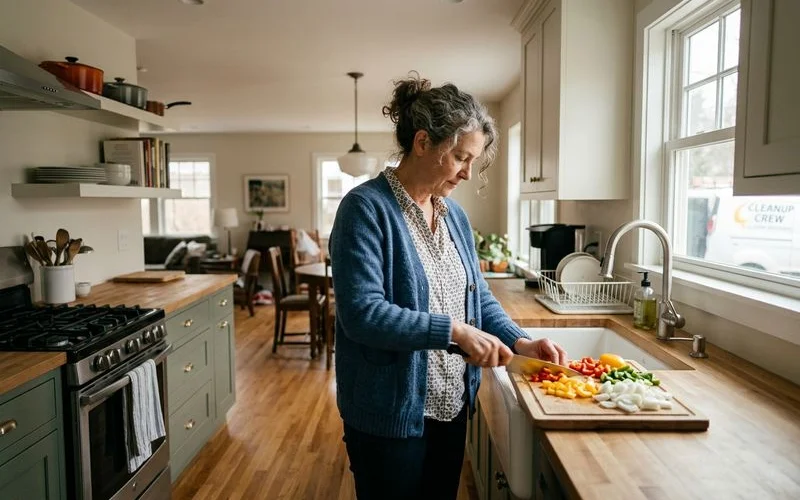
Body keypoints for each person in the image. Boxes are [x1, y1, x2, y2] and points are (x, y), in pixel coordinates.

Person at [329, 74, 568, 500]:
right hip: (389, 415)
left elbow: (478, 299)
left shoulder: (454, 215)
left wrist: (521, 342)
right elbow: (362, 315)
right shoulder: (364, 209)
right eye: (460, 156)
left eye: (473, 160)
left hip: (451, 406)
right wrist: (454, 332)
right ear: (423, 143)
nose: (467, 172)